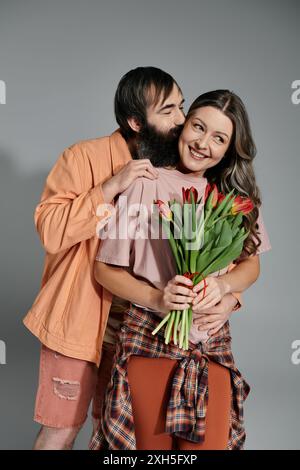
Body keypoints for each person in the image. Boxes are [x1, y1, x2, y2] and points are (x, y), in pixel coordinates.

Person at [23, 67, 242, 450]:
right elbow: (52, 232)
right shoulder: (83, 157)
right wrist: (109, 188)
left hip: (141, 334)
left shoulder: (176, 169)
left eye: (181, 106)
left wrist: (228, 297)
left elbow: (200, 256)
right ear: (136, 122)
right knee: (62, 429)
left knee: (112, 436)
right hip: (78, 325)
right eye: (168, 111)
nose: (181, 121)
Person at [89, 89, 272, 450]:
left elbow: (252, 265)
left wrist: (225, 289)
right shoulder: (146, 182)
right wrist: (158, 297)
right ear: (182, 125)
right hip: (149, 341)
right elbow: (104, 270)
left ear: (230, 148)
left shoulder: (231, 197)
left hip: (210, 346)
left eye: (219, 138)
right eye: (198, 127)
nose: (204, 143)